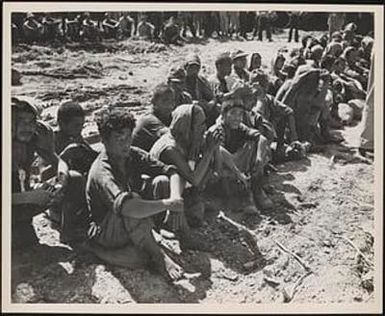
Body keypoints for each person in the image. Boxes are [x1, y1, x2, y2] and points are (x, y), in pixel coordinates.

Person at [85, 106, 186, 281]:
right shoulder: (102, 170)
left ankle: (180, 235)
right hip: (107, 228)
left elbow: (172, 171)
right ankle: (158, 256)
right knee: (133, 202)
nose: (125, 144)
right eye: (118, 139)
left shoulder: (132, 155)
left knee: (162, 182)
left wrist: (176, 199)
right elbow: (127, 208)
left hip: (131, 220)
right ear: (104, 140)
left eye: (128, 138)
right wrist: (169, 204)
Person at [11, 96, 84, 249]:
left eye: (31, 121)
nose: (28, 127)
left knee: (74, 178)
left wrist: (62, 178)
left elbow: (58, 161)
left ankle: (68, 233)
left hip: (23, 202)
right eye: (21, 120)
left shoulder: (31, 139)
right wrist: (29, 196)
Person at [150, 104, 220, 227]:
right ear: (188, 126)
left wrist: (216, 146)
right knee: (163, 181)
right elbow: (194, 179)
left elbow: (215, 169)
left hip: (183, 189)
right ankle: (164, 222)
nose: (204, 128)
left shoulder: (188, 139)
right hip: (159, 195)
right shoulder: (170, 148)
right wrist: (209, 150)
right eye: (201, 124)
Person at [210, 98, 274, 210]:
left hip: (236, 166)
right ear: (224, 114)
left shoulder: (240, 127)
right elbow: (219, 151)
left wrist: (259, 158)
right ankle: (244, 196)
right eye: (233, 114)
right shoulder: (217, 129)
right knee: (221, 156)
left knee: (254, 144)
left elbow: (262, 139)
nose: (237, 118)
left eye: (240, 114)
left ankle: (257, 189)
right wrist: (238, 173)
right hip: (220, 169)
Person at [250, 70, 298, 160]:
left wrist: (294, 137)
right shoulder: (246, 98)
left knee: (282, 115)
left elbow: (289, 111)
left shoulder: (269, 99)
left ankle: (279, 149)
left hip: (267, 133)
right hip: (251, 135)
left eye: (264, 83)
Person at [132, 83, 176, 152]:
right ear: (154, 102)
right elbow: (172, 136)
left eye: (172, 101)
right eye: (165, 101)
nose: (170, 105)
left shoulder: (166, 116)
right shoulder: (149, 119)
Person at [183, 54, 216, 126]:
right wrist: (193, 103)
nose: (194, 71)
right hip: (185, 110)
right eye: (191, 68)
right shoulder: (181, 81)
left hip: (201, 109)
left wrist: (210, 104)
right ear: (185, 68)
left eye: (197, 68)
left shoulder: (201, 80)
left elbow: (212, 96)